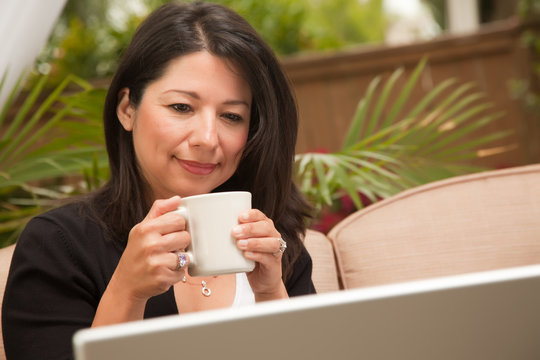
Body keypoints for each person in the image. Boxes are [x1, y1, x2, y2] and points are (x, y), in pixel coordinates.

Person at [2, 1, 316, 358]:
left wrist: (271, 293)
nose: (208, 138)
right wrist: (127, 291)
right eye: (181, 107)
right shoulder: (59, 246)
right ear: (127, 109)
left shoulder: (276, 245)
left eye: (231, 116)